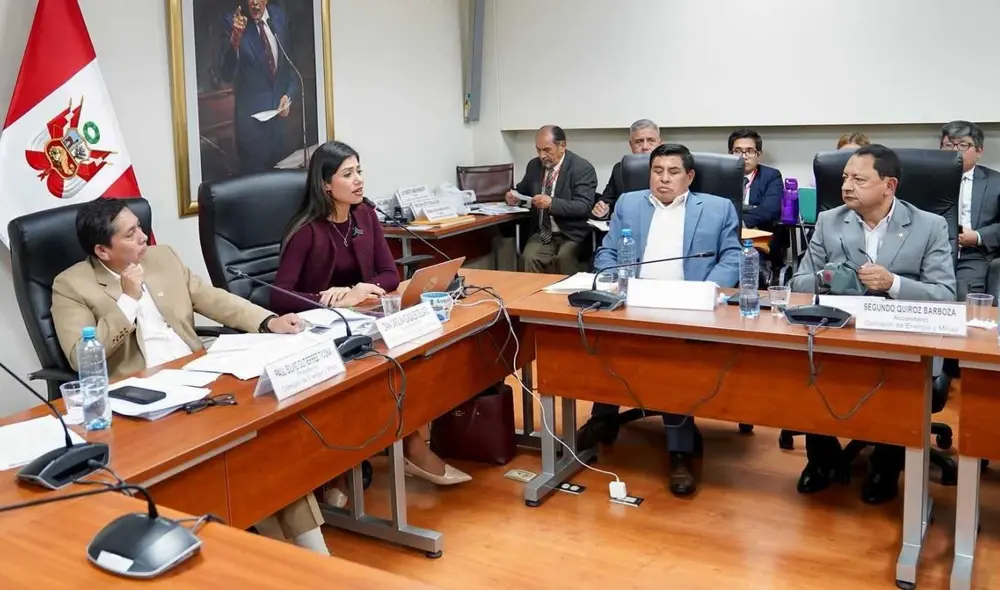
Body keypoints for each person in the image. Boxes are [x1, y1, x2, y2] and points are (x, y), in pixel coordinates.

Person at [50, 197, 330, 555]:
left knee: (265, 447)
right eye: (132, 233)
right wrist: (128, 300)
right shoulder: (71, 285)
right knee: (238, 461)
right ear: (103, 250)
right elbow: (80, 356)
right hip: (144, 402)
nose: (143, 236)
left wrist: (267, 321)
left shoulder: (161, 256)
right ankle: (284, 558)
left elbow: (210, 298)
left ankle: (314, 559)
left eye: (140, 226)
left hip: (201, 378)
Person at [272, 141, 472, 507]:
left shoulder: (364, 216)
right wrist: (324, 297)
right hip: (317, 331)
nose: (359, 180)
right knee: (371, 373)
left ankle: (410, 443)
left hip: (362, 320)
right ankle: (342, 465)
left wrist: (361, 289)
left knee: (409, 356)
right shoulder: (305, 230)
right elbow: (278, 296)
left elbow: (389, 274)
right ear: (325, 184)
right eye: (348, 174)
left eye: (359, 171)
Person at [790, 144, 956, 504]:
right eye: (845, 177)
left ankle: (886, 464)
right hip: (841, 332)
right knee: (804, 364)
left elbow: (945, 294)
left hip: (905, 336)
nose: (846, 186)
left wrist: (893, 283)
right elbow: (798, 285)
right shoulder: (829, 221)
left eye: (859, 179)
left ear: (889, 185)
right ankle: (821, 459)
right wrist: (830, 277)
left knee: (901, 381)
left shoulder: (929, 225)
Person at [575, 143, 742, 497]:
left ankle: (679, 450)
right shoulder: (629, 203)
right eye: (657, 171)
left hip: (686, 304)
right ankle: (603, 416)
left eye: (673, 172)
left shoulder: (717, 208)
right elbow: (606, 250)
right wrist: (609, 278)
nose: (663, 179)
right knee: (597, 339)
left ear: (689, 176)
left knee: (670, 364)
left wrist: (706, 290)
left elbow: (732, 256)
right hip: (632, 300)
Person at [218, 0, 298, 174]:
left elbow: (290, 68)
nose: (254, 2)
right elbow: (226, 73)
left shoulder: (279, 17)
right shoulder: (232, 22)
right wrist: (235, 41)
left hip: (279, 128)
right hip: (251, 131)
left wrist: (288, 96)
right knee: (256, 190)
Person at [505, 125, 598, 274]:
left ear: (562, 146)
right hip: (542, 233)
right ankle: (533, 297)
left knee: (563, 258)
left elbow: (584, 206)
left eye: (547, 150)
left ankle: (565, 297)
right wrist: (513, 197)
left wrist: (552, 203)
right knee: (528, 258)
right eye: (538, 150)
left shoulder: (582, 168)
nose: (542, 155)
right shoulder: (534, 166)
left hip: (571, 234)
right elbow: (522, 190)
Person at [591, 119, 663, 219]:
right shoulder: (620, 169)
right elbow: (608, 202)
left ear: (660, 143)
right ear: (631, 145)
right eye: (639, 141)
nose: (645, 147)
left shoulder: (673, 169)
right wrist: (604, 210)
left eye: (651, 141)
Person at [728, 128, 783, 231]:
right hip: (726, 232)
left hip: (759, 232)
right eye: (737, 151)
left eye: (750, 151)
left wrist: (741, 224)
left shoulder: (771, 176)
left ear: (759, 155)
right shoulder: (721, 177)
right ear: (730, 154)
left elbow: (770, 209)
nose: (743, 156)